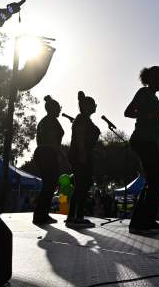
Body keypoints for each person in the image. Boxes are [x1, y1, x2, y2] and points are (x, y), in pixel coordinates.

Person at [125, 66, 159, 235]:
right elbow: (128, 112)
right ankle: (144, 222)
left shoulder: (154, 98)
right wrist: (145, 115)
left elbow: (158, 121)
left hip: (150, 142)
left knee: (153, 181)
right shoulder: (144, 92)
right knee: (154, 181)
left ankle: (142, 221)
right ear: (152, 78)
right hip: (143, 140)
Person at [67, 91, 100, 228]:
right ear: (87, 106)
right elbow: (80, 138)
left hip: (83, 154)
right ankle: (77, 217)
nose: (95, 107)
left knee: (82, 185)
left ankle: (73, 216)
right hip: (80, 155)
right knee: (82, 184)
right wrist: (82, 154)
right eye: (93, 104)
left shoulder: (84, 119)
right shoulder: (81, 119)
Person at [33, 95, 64, 225]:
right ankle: (41, 215)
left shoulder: (46, 121)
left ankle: (41, 214)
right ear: (52, 109)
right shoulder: (50, 121)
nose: (60, 110)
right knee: (49, 185)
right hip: (47, 153)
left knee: (49, 185)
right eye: (58, 108)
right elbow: (52, 141)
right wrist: (61, 154)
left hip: (43, 153)